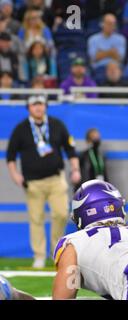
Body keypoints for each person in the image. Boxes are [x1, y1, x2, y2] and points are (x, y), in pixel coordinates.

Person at [6, 95, 81, 268]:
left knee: (62, 214)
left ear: (46, 106)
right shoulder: (21, 129)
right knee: (36, 218)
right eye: (34, 105)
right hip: (33, 183)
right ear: (28, 108)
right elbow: (10, 156)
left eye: (41, 104)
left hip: (56, 179)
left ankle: (56, 251)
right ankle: (39, 256)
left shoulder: (56, 124)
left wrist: (75, 169)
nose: (38, 108)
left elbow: (70, 150)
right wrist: (15, 175)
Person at [87, 14, 126, 83]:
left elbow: (120, 58)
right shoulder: (93, 39)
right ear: (102, 24)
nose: (112, 26)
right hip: (100, 68)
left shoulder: (121, 39)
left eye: (113, 24)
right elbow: (94, 58)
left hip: (116, 68)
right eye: (109, 23)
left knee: (124, 79)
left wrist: (101, 53)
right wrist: (111, 52)